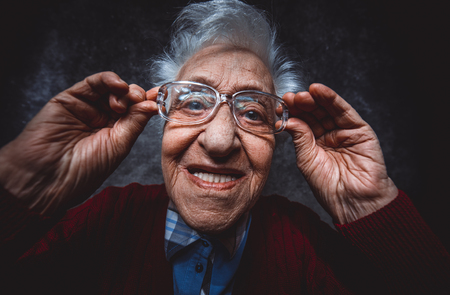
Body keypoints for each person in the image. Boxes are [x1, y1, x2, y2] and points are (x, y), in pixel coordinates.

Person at [0, 0, 449, 294]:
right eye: (194, 102)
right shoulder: (108, 219)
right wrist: (20, 189)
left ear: (280, 133)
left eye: (252, 112)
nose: (219, 141)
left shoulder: (303, 244)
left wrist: (370, 203)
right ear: (160, 114)